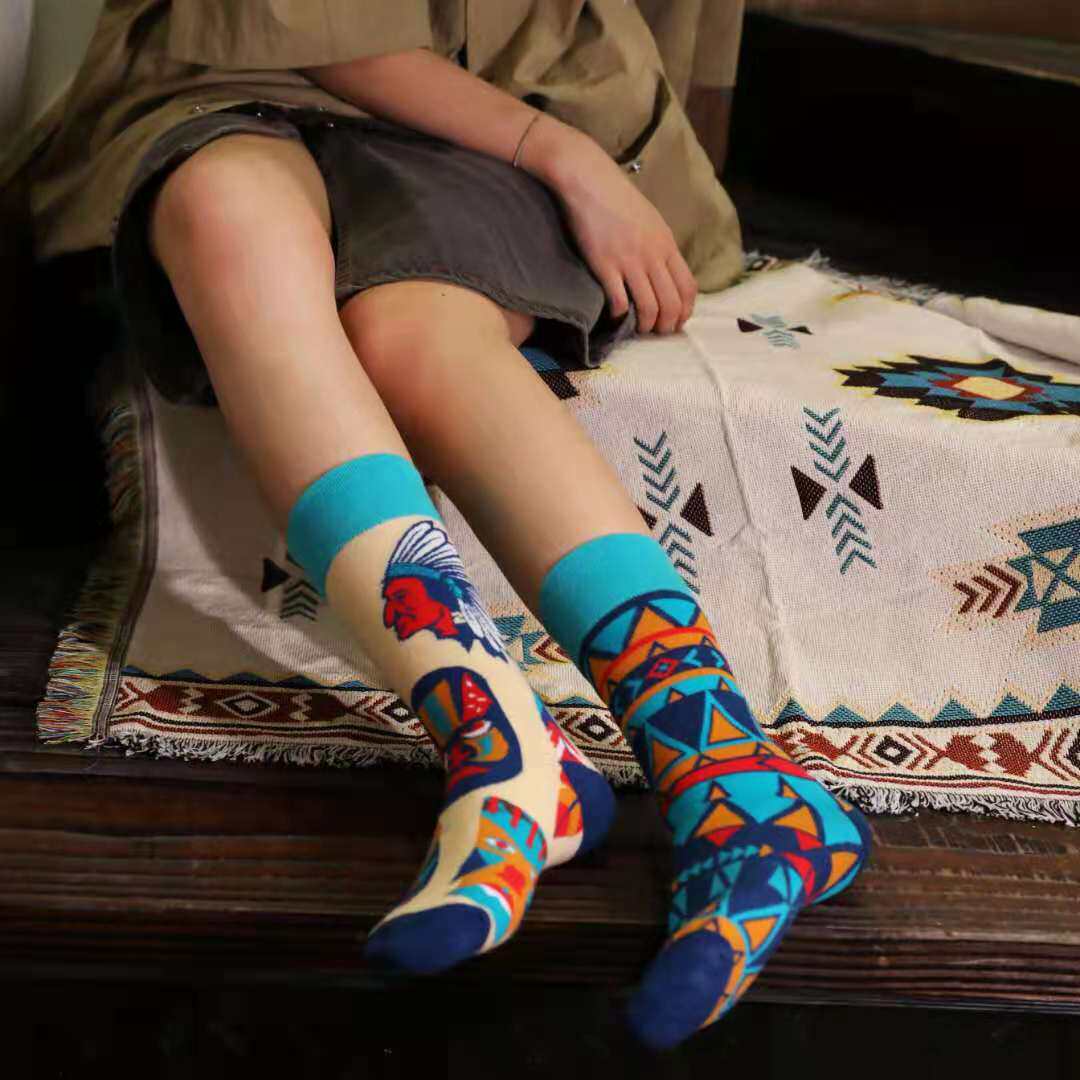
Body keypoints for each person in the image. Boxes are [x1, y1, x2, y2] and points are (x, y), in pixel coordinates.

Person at [25, 1, 870, 1051]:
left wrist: (602, 154)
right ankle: (498, 736)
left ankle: (726, 770)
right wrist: (561, 151)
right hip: (226, 83)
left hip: (499, 105)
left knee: (414, 330)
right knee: (221, 210)